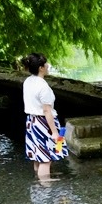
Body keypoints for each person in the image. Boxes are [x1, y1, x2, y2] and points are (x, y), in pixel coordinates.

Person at [22, 52, 65, 181]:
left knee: (37, 155)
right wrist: (54, 132)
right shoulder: (43, 86)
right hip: (43, 123)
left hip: (31, 121)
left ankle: (38, 182)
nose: (48, 65)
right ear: (41, 68)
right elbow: (47, 111)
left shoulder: (28, 81)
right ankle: (45, 186)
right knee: (46, 158)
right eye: (46, 64)